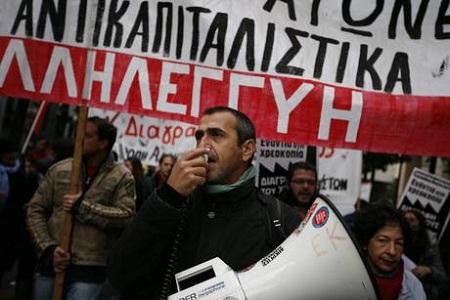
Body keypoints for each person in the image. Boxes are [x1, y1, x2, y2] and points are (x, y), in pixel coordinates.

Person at [107, 106, 300, 299]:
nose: (203, 145)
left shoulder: (277, 217)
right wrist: (168, 197)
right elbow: (121, 275)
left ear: (247, 150)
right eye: (199, 136)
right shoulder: (173, 203)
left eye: (216, 135)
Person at [26, 116, 136, 300]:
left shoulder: (121, 177)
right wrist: (48, 248)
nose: (78, 139)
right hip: (51, 264)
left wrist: (84, 208)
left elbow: (126, 217)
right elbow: (35, 210)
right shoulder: (59, 169)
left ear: (103, 143)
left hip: (89, 269)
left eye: (87, 135)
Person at [352, 202, 426, 300]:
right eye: (383, 240)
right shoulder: (344, 278)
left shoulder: (413, 286)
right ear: (365, 242)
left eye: (399, 243)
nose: (392, 251)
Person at [402, 209, 449, 299]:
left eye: (412, 220)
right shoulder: (397, 238)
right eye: (405, 220)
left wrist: (428, 270)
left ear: (420, 224)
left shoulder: (429, 245)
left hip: (421, 288)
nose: (407, 223)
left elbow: (442, 276)